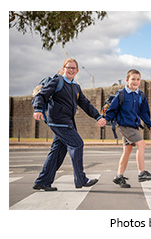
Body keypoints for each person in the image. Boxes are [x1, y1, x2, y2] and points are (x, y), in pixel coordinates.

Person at [32, 58, 106, 191]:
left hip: (67, 122)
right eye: (68, 67)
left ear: (77, 71)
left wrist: (98, 116)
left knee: (57, 152)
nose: (71, 70)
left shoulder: (76, 87)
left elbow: (85, 104)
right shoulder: (57, 81)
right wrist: (38, 109)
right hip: (59, 122)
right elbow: (41, 95)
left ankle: (43, 181)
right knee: (77, 144)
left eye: (73, 68)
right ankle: (81, 179)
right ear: (63, 68)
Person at [103, 69, 151, 188]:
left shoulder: (140, 95)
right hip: (124, 125)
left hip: (134, 126)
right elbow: (112, 109)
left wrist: (150, 125)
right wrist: (104, 119)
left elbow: (144, 113)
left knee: (127, 151)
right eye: (133, 79)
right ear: (127, 80)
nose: (136, 81)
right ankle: (142, 173)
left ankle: (119, 176)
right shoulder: (121, 94)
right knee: (141, 144)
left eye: (138, 79)